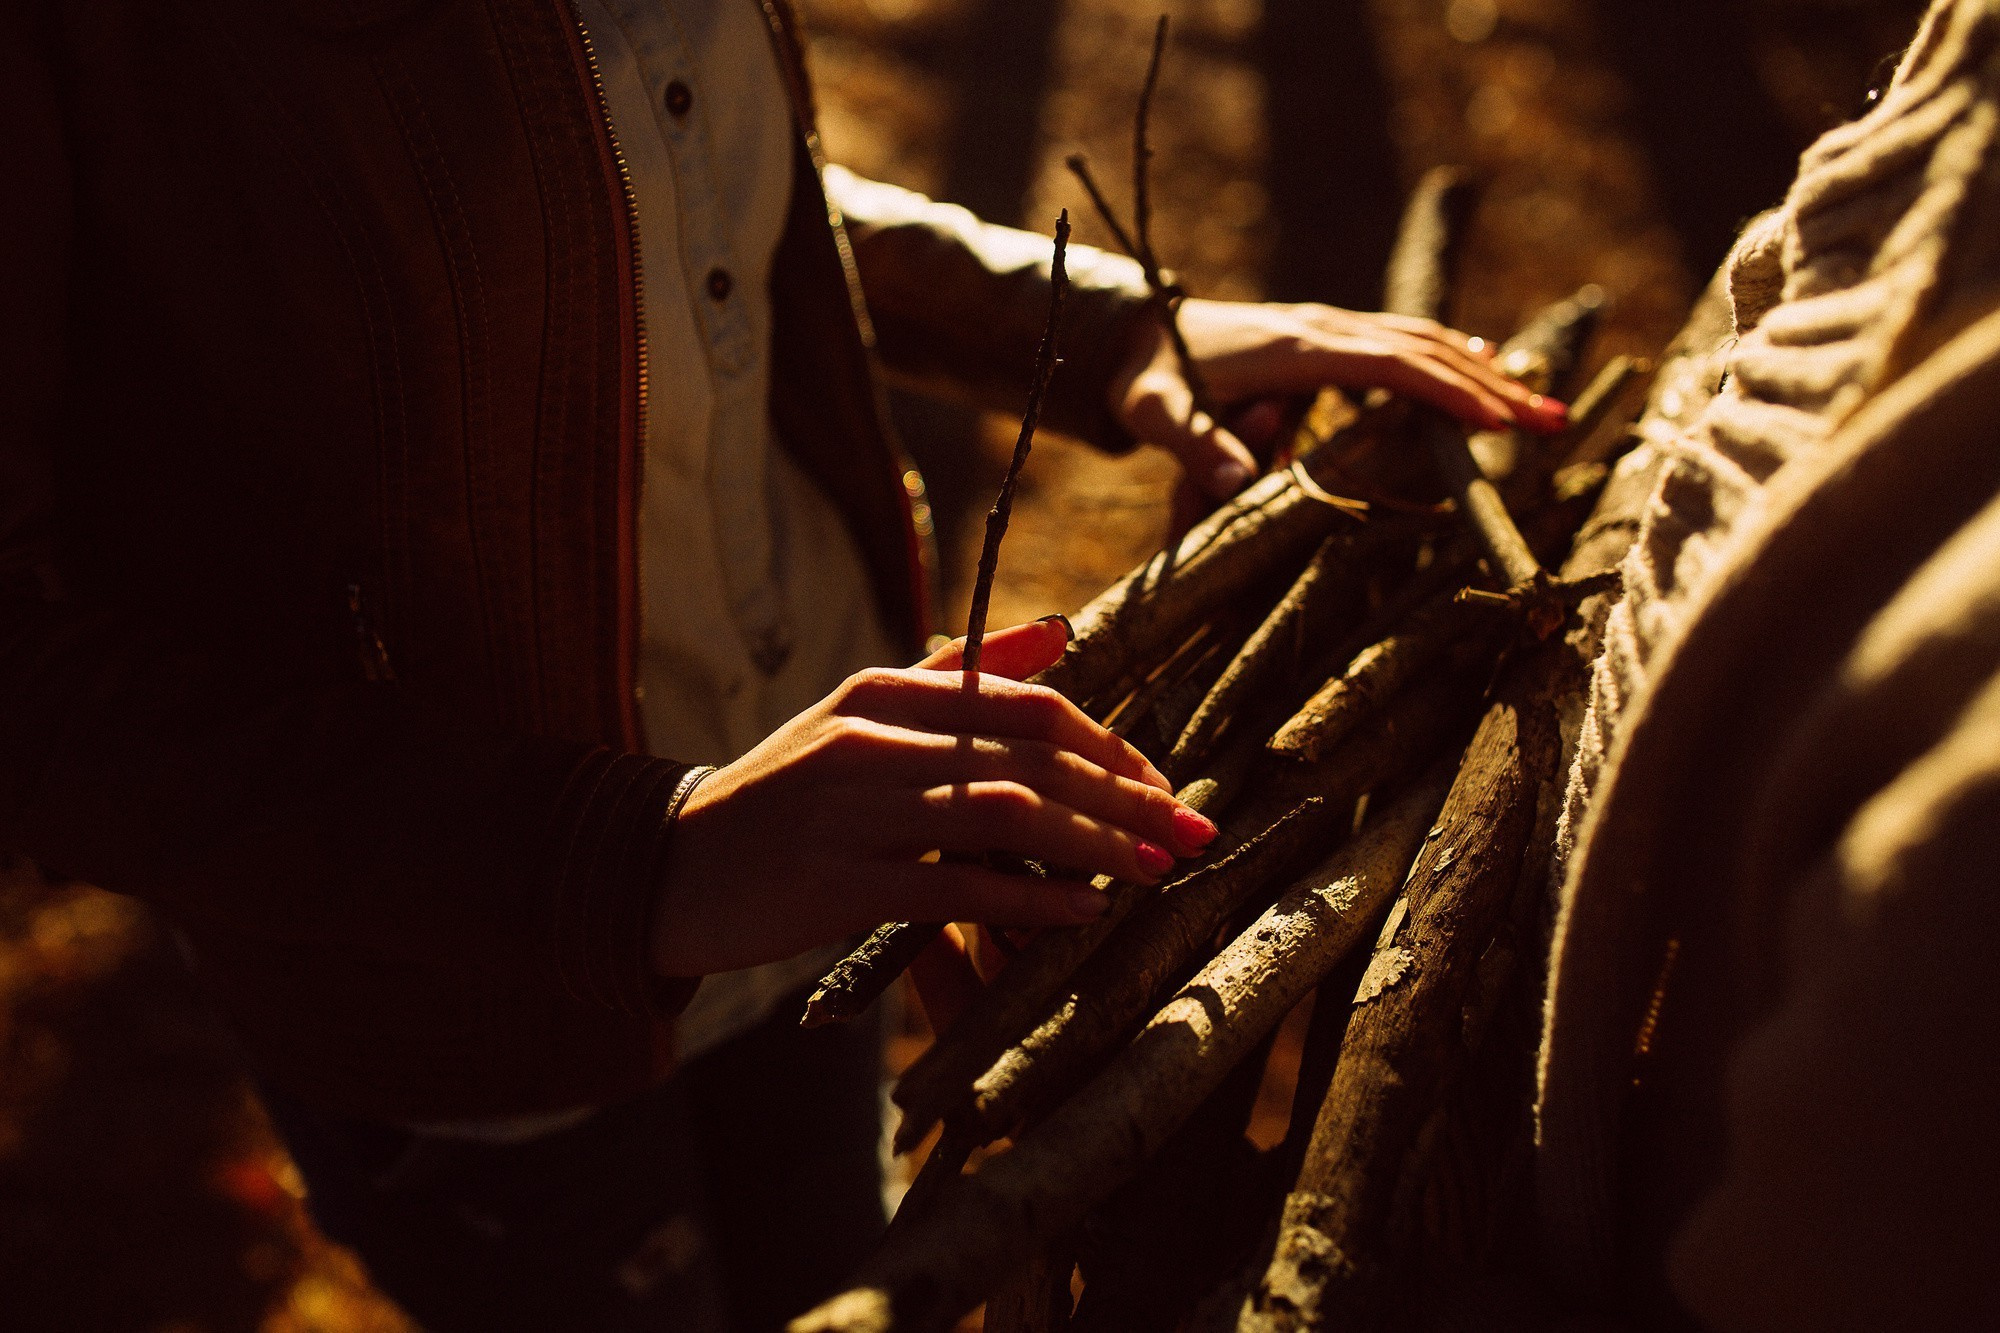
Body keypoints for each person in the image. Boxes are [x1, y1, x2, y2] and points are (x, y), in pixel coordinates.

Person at [0, 0, 1560, 1327]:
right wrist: (633, 856)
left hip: (817, 836)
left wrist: (1085, 323)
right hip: (476, 996)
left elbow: (670, 167)